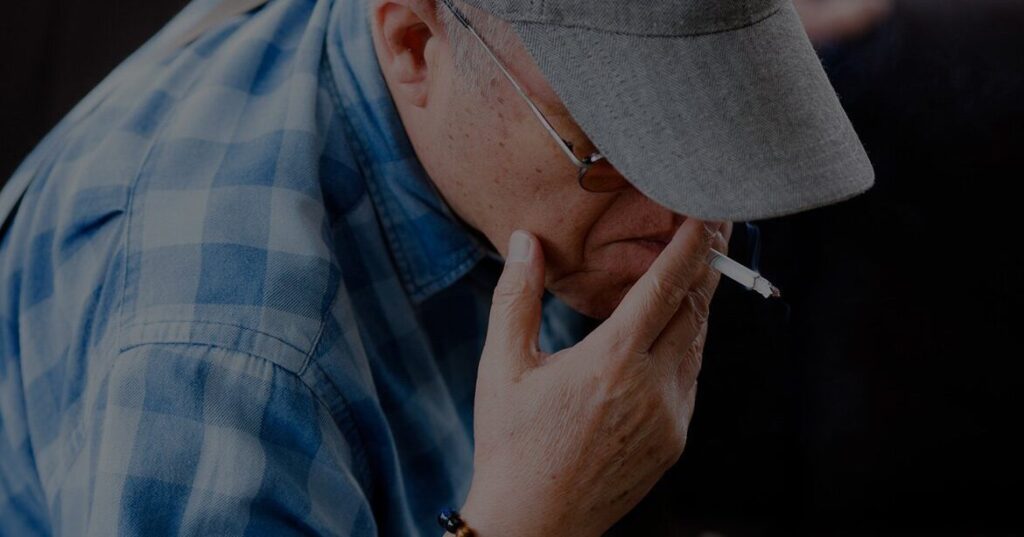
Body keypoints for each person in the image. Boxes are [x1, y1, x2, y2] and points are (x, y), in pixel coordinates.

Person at [0, 0, 873, 535]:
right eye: (610, 149)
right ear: (415, 44)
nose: (691, 222)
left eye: (708, 142)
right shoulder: (226, 370)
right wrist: (529, 520)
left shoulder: (457, 72)